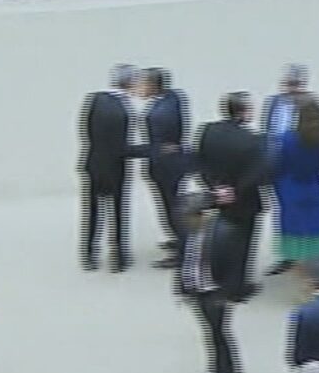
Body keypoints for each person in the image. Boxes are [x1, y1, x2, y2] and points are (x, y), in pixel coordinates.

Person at [194, 93, 269, 300]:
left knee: (219, 238)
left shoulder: (207, 131)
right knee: (242, 245)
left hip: (216, 197)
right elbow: (257, 174)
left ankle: (217, 276)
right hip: (244, 201)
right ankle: (236, 287)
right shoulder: (253, 141)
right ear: (244, 112)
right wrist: (235, 190)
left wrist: (216, 187)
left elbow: (199, 163)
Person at [177, 182, 241, 373]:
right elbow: (184, 261)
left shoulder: (224, 234)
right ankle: (231, 365)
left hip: (215, 294)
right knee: (216, 331)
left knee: (214, 336)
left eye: (190, 216)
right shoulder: (188, 233)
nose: (186, 221)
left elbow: (235, 270)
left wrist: (226, 296)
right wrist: (183, 288)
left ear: (204, 215)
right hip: (197, 291)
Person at [80, 66, 142, 272]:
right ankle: (118, 256)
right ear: (129, 83)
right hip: (116, 167)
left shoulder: (95, 99)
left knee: (92, 211)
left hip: (93, 163)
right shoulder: (125, 109)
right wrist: (149, 150)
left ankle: (89, 255)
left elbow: (85, 129)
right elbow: (122, 146)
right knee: (117, 212)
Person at [267, 97, 319, 278]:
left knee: (291, 225)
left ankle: (290, 257)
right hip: (314, 184)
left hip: (290, 186)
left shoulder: (288, 139)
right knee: (314, 225)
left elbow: (279, 163)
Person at [139, 69, 192, 267]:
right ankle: (180, 240)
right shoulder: (174, 97)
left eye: (143, 83)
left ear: (154, 86)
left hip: (165, 167)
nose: (140, 87)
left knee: (170, 208)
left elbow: (158, 146)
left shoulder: (159, 114)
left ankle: (183, 251)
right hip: (175, 162)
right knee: (173, 206)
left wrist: (128, 151)